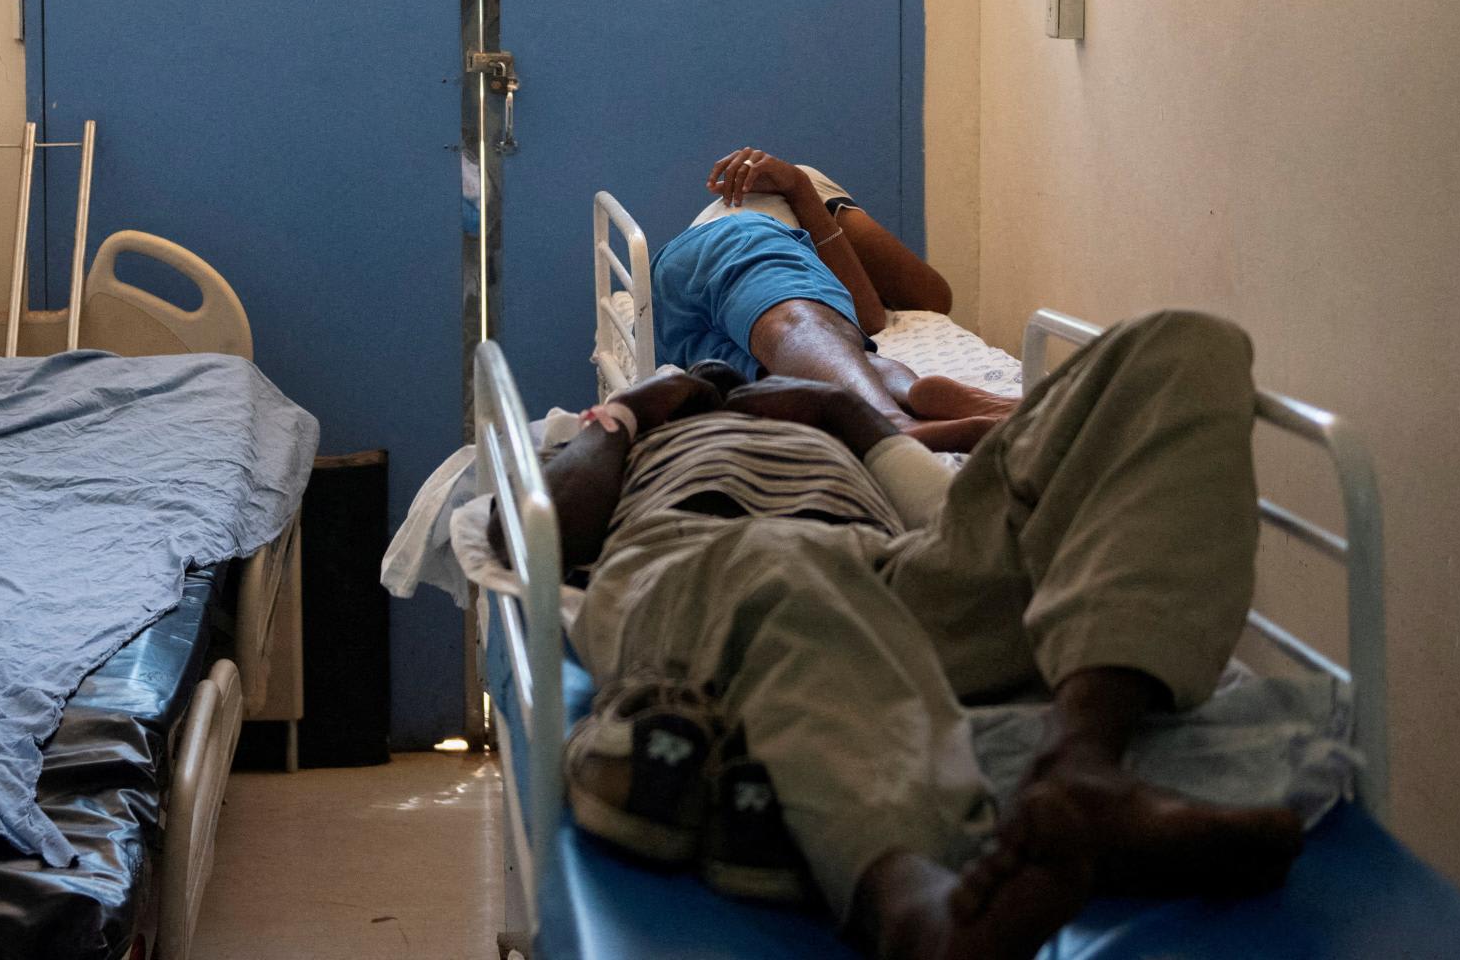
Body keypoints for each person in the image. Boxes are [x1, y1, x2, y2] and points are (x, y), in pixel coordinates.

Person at [533, 312, 1306, 960]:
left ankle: (1082, 769)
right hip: (695, 558)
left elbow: (945, 513)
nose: (727, 395)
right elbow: (542, 537)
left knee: (1182, 344)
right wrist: (633, 412)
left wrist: (839, 413)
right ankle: (910, 903)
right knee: (782, 560)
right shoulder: (628, 443)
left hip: (885, 566)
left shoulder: (830, 430)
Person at [655, 148, 1013, 450]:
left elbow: (915, 302)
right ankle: (894, 423)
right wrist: (801, 187)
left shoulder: (798, 184)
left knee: (814, 362)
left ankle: (910, 393)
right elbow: (895, 306)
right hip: (734, 241)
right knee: (803, 324)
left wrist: (799, 189)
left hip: (683, 314)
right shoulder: (802, 182)